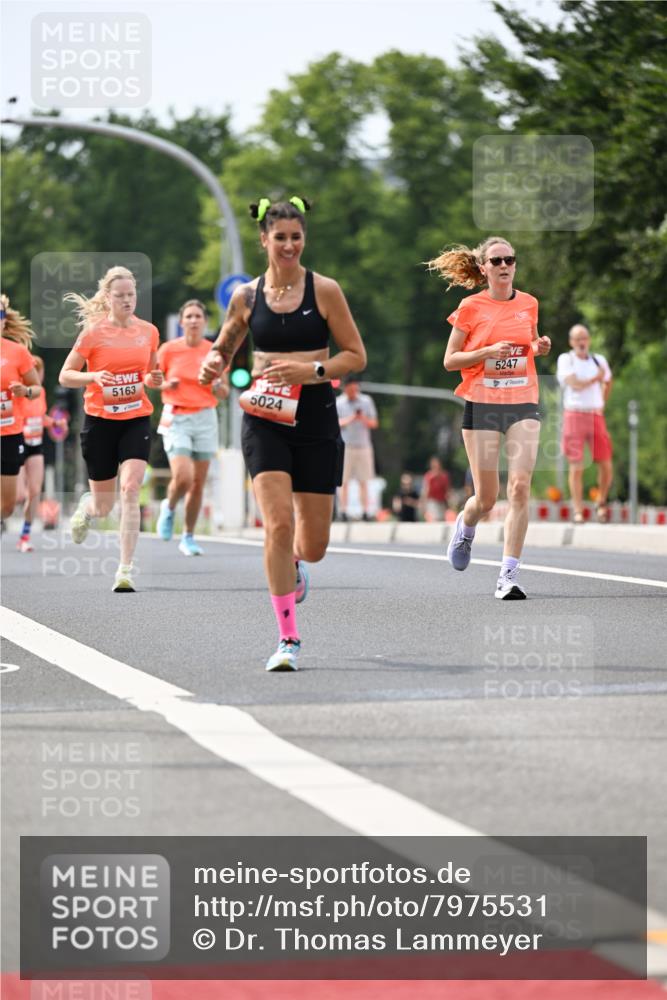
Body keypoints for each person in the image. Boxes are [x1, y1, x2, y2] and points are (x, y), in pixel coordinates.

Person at [199, 196, 366, 671]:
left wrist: (311, 369)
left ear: (303, 239)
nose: (289, 245)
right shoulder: (247, 297)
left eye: (296, 237)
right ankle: (287, 638)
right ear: (264, 240)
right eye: (280, 238)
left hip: (315, 415)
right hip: (264, 418)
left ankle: (295, 565)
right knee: (276, 524)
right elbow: (224, 345)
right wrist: (214, 363)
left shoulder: (326, 291)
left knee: (312, 545)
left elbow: (355, 355)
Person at [427, 236, 551, 599]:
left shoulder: (529, 303)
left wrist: (537, 346)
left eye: (509, 259)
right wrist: (485, 352)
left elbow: (527, 344)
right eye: (495, 261)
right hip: (482, 403)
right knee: (486, 498)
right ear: (483, 268)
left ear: (515, 264)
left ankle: (507, 575)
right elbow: (450, 360)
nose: (503, 266)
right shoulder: (470, 307)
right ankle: (466, 526)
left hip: (523, 401)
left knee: (520, 487)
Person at [59, 266, 163, 592]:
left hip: (135, 419)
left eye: (131, 294)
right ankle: (87, 509)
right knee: (104, 506)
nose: (127, 300)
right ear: (108, 297)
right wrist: (93, 377)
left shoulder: (149, 331)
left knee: (130, 489)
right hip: (100, 423)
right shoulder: (93, 333)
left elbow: (150, 373)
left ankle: (125, 569)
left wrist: (153, 380)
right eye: (120, 296)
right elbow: (65, 375)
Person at [156, 299, 229, 555]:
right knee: (183, 477)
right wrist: (165, 385)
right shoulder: (168, 350)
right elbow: (151, 379)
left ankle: (187, 536)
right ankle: (169, 506)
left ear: (205, 321)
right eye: (189, 316)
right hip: (176, 417)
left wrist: (219, 387)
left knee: (198, 482)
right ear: (181, 321)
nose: (194, 320)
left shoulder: (215, 352)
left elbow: (224, 390)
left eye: (198, 316)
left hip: (206, 418)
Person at [556, 323, 613, 524]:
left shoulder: (598, 360)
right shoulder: (566, 359)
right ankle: (578, 509)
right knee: (576, 465)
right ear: (572, 342)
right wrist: (594, 380)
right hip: (574, 414)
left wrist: (602, 402)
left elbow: (608, 380)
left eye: (584, 338)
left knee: (605, 463)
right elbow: (574, 384)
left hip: (595, 415)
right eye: (578, 338)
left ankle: (601, 501)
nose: (582, 342)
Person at [16, 355, 68, 551]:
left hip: (36, 445)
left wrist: (54, 422)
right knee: (19, 495)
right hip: (18, 443)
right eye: (38, 373)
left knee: (35, 491)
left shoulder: (42, 393)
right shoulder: (18, 393)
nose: (41, 376)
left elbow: (40, 417)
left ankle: (25, 535)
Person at [1, 294, 41, 520]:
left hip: (9, 433)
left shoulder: (17, 352)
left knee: (7, 506)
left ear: (4, 320)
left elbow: (36, 389)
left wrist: (25, 391)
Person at [335, 374, 378, 521]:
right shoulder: (339, 403)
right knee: (343, 481)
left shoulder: (366, 401)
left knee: (364, 480)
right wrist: (351, 419)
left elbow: (374, 423)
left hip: (363, 446)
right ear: (345, 389)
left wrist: (362, 418)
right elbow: (335, 424)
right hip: (346, 446)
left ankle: (365, 511)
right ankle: (343, 511)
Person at [420, 455, 450, 522]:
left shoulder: (444, 476)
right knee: (435, 520)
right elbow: (425, 491)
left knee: (442, 520)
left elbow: (447, 491)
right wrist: (423, 504)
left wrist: (448, 503)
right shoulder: (428, 476)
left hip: (442, 502)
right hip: (432, 502)